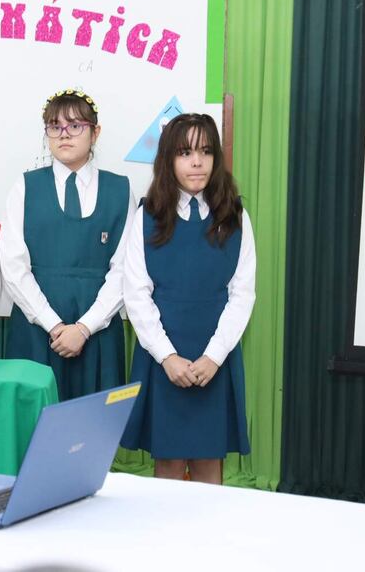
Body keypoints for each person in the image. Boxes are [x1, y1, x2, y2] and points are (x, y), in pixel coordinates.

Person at [120, 113, 256, 484]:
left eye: (206, 151)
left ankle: (210, 541)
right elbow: (136, 293)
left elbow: (242, 293)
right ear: (168, 159)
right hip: (164, 356)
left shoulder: (235, 216)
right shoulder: (147, 215)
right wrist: (167, 356)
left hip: (216, 356)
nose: (197, 162)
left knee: (210, 461)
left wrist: (214, 356)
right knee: (167, 461)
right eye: (185, 152)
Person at [0, 89, 135, 400]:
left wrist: (84, 328)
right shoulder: (25, 186)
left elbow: (124, 269)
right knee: (33, 427)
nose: (64, 135)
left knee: (94, 429)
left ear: (95, 132)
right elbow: (13, 266)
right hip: (37, 329)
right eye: (54, 126)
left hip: (97, 330)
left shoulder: (119, 190)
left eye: (75, 126)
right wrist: (55, 325)